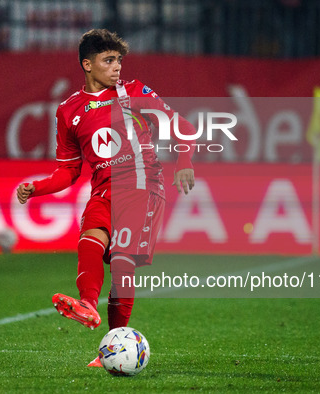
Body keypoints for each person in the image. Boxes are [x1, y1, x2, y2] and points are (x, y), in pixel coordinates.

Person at [16, 29, 196, 367]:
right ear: (87, 64)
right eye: (108, 60)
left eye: (119, 61)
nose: (116, 67)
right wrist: (36, 187)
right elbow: (68, 171)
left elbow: (181, 125)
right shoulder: (69, 110)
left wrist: (184, 163)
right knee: (90, 239)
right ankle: (87, 305)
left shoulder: (134, 92)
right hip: (102, 190)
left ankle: (110, 348)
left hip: (143, 186)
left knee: (122, 264)